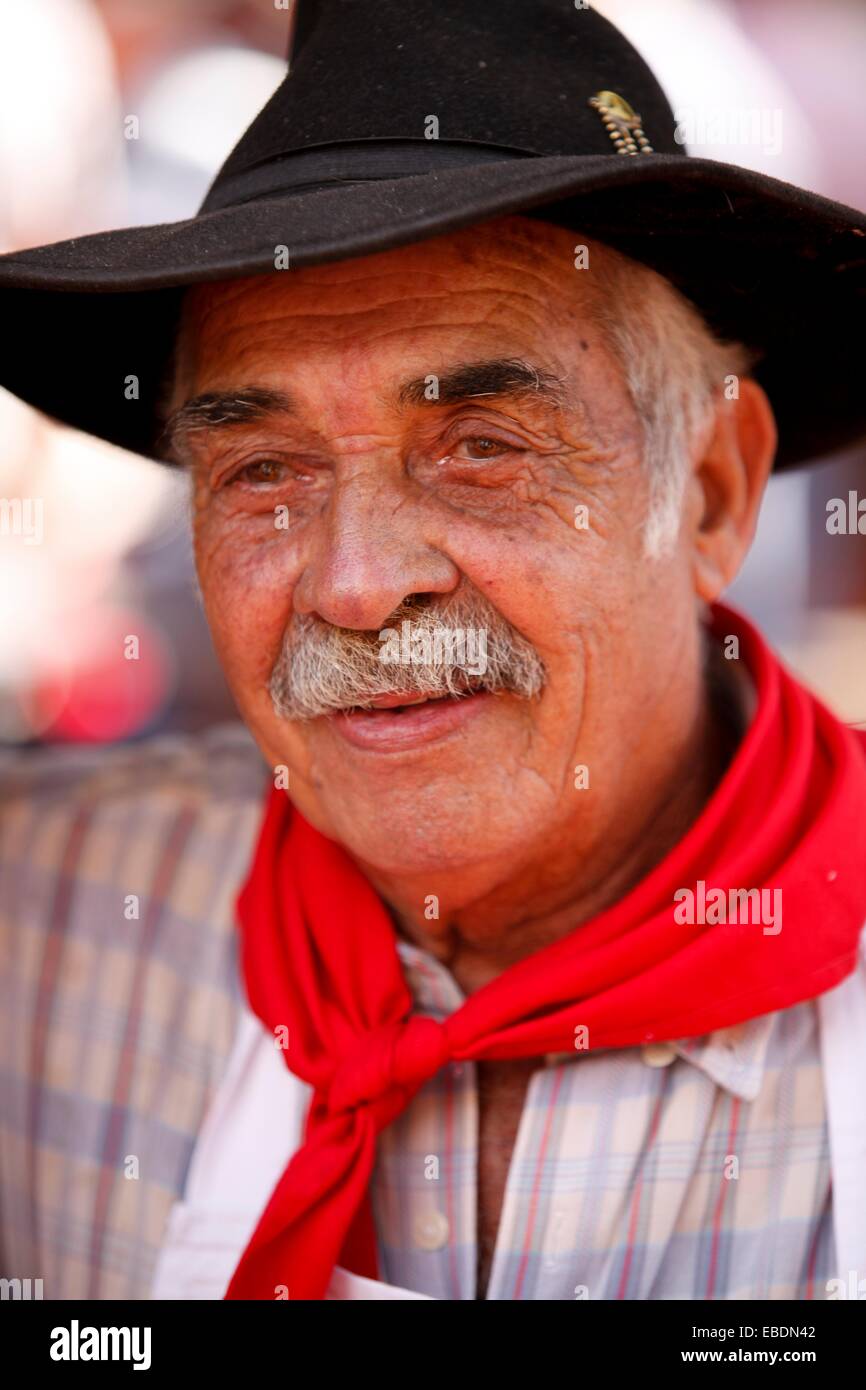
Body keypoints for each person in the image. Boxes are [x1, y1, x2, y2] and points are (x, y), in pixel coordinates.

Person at [1, 0, 865, 1302]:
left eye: (480, 447)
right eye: (265, 469)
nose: (353, 585)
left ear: (706, 490)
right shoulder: (37, 920)